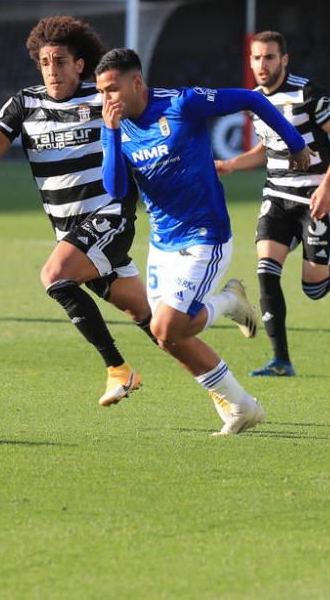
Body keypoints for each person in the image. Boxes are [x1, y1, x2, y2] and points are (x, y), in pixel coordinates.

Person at [97, 48, 313, 435]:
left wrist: (296, 144)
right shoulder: (115, 127)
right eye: (101, 92)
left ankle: (228, 302)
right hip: (163, 243)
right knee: (168, 338)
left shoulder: (182, 103)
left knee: (165, 328)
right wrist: (111, 132)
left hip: (205, 237)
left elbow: (249, 98)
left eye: (113, 89)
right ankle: (243, 407)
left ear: (136, 83)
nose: (106, 99)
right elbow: (114, 188)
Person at [0, 17, 152, 407]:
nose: (52, 70)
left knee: (54, 277)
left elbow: (146, 129)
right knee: (158, 322)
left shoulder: (100, 96)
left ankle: (118, 370)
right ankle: (227, 379)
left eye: (60, 61)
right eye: (45, 62)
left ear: (79, 65)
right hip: (71, 234)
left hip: (110, 216)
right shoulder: (24, 104)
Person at [216, 30, 330, 377]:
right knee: (266, 272)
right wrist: (231, 164)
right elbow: (267, 149)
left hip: (314, 197)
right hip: (276, 196)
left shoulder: (309, 94)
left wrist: (327, 187)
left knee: (315, 289)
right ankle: (281, 361)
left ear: (284, 60)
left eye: (269, 58)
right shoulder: (253, 100)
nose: (262, 65)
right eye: (256, 58)